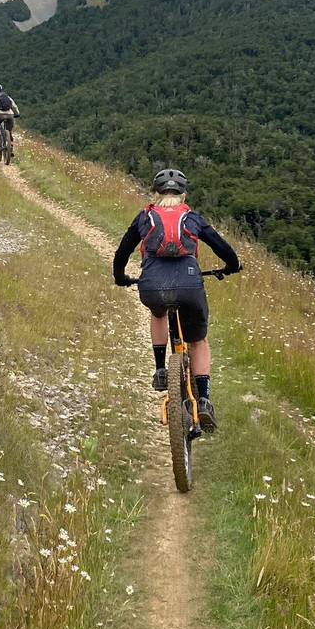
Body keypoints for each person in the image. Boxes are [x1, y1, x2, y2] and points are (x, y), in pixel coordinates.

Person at [113, 168, 242, 432]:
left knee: (158, 313)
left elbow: (121, 252)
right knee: (198, 340)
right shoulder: (191, 217)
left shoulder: (145, 216)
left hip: (152, 287)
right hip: (190, 286)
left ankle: (161, 370)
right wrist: (232, 266)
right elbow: (222, 247)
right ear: (183, 194)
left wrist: (120, 277)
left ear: (156, 194)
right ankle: (204, 400)